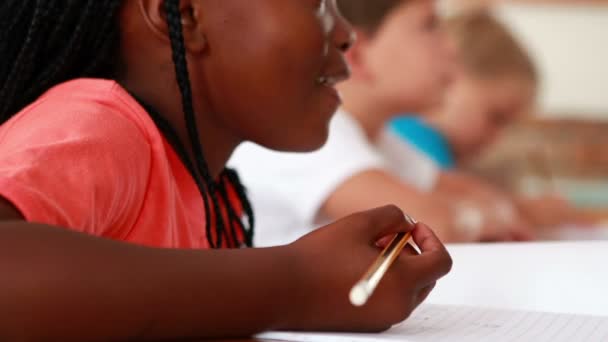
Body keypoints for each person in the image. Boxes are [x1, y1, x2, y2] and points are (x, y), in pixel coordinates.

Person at [0, 1, 452, 340]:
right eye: (316, 3)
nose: (346, 34)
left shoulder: (213, 194)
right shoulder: (98, 125)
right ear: (181, 14)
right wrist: (298, 282)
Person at [230, 0, 528, 246]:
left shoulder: (380, 137)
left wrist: (480, 214)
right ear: (358, 55)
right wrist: (476, 218)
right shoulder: (312, 133)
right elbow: (434, 224)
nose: (452, 50)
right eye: (429, 26)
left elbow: (473, 195)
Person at [391, 10, 589, 230]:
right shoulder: (416, 140)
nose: (498, 137)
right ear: (448, 79)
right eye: (496, 117)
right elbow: (441, 216)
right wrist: (524, 212)